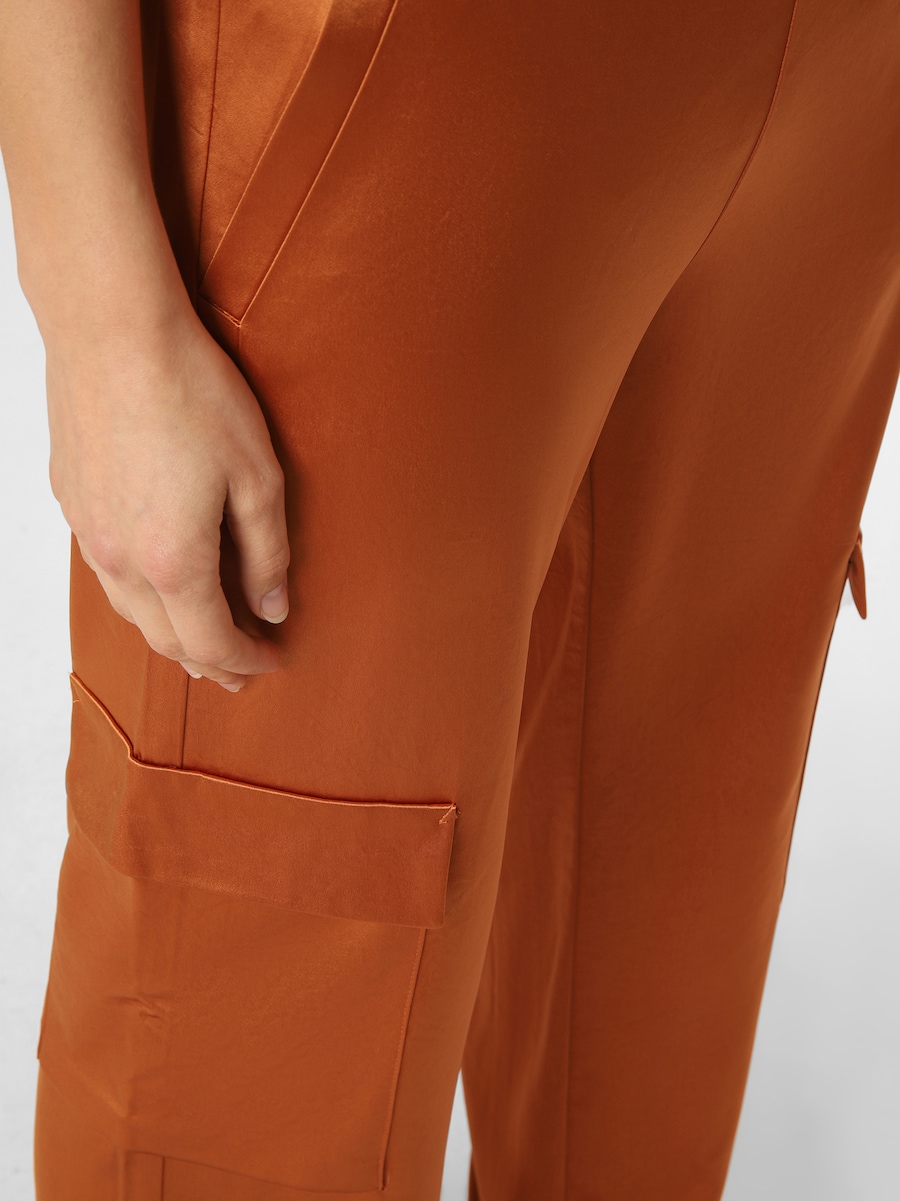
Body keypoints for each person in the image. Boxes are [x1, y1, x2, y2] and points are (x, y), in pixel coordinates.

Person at [1, 1, 897, 1198]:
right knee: (261, 1031)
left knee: (655, 965)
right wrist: (96, 300)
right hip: (404, 91)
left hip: (844, 88)